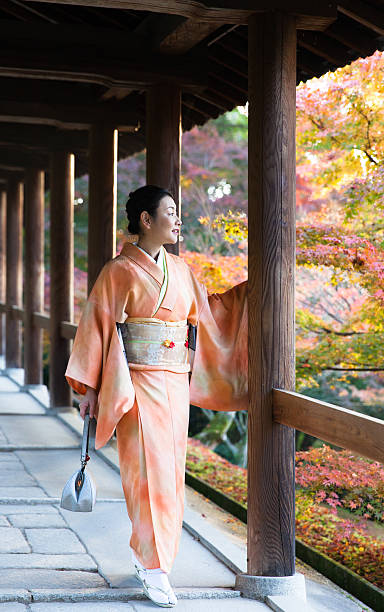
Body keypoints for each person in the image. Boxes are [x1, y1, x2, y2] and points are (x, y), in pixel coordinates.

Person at [65, 185, 248, 608]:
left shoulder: (181, 270)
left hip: (174, 383)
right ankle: (154, 568)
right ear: (146, 220)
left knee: (171, 477)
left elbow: (212, 315)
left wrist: (251, 294)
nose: (178, 218)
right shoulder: (118, 271)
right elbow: (96, 328)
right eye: (170, 211)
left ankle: (148, 556)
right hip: (135, 382)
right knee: (148, 476)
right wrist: (90, 391)